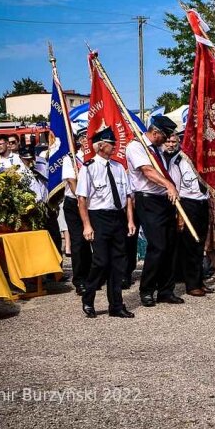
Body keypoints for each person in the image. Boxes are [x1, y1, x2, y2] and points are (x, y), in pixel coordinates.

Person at [76, 128, 136, 319]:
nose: (114, 147)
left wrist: (130, 220)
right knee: (101, 261)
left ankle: (116, 305)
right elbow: (82, 199)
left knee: (119, 263)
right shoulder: (89, 167)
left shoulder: (118, 167)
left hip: (117, 217)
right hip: (98, 217)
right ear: (101, 145)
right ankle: (88, 297)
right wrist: (87, 225)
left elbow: (127, 196)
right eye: (111, 144)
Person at [126, 115, 181, 308]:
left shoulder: (158, 149)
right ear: (155, 131)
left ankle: (166, 290)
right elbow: (148, 171)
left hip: (164, 200)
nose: (167, 140)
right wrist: (169, 185)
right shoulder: (137, 146)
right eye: (164, 136)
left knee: (170, 246)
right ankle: (147, 289)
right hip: (148, 201)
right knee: (157, 246)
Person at [168, 130, 213, 297]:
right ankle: (192, 284)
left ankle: (199, 280)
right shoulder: (177, 161)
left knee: (200, 243)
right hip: (188, 204)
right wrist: (179, 215)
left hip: (202, 202)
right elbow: (176, 189)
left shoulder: (202, 159)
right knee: (190, 245)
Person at [62, 128, 92, 294]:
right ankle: (80, 280)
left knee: (92, 241)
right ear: (80, 141)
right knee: (79, 242)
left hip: (93, 204)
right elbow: (72, 183)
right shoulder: (71, 159)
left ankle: (92, 275)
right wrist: (82, 198)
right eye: (86, 138)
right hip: (75, 204)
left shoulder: (94, 159)